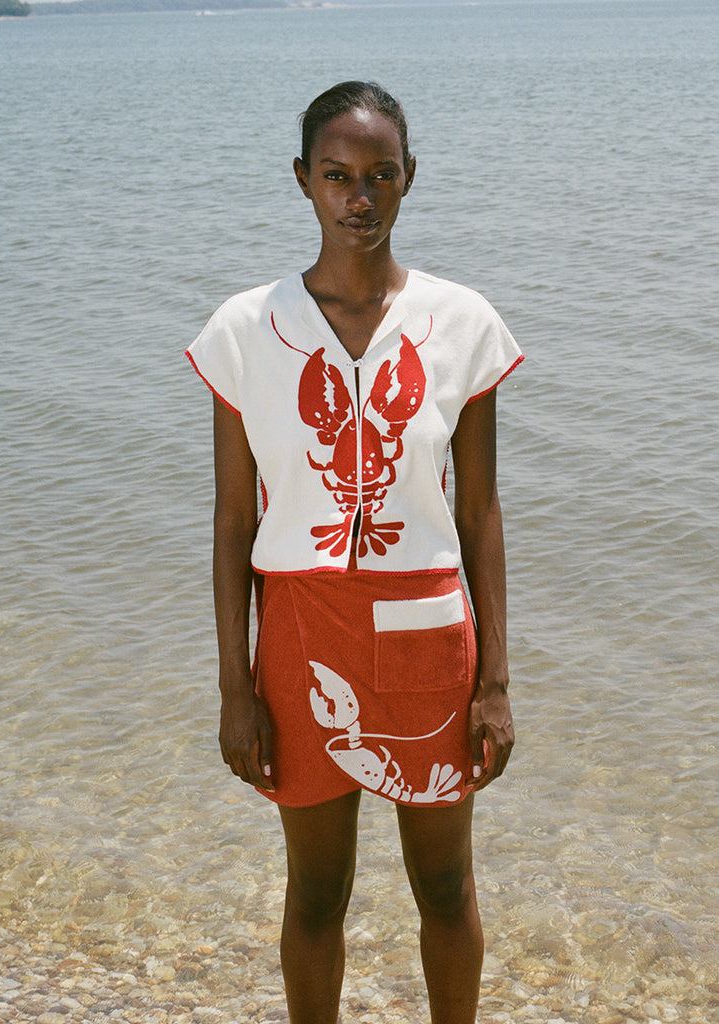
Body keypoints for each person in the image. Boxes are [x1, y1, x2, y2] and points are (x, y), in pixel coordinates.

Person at [186, 81, 522, 1024]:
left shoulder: (462, 323)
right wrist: (234, 688)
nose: (359, 197)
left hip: (427, 634)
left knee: (446, 887)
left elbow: (481, 511)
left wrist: (494, 678)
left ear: (411, 179)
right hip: (298, 629)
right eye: (337, 176)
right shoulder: (246, 331)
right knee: (316, 895)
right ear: (303, 182)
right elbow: (230, 522)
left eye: (380, 175)